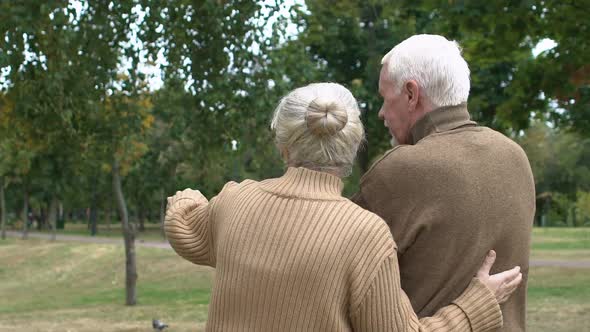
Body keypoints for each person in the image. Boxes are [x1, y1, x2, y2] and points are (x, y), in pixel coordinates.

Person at [165, 82, 522, 331]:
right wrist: (476, 304)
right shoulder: (364, 234)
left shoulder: (234, 202)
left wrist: (187, 198)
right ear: (352, 148)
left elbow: (183, 227)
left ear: (284, 147)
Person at [352, 35, 536, 331]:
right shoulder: (515, 156)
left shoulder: (401, 169)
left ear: (411, 94)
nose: (381, 113)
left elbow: (335, 260)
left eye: (386, 99)